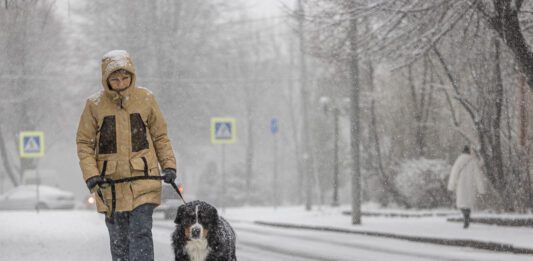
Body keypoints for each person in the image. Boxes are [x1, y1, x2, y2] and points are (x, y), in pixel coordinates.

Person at [76, 50, 177, 261]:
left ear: (132, 76)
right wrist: (91, 175)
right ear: (106, 79)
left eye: (125, 78)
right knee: (119, 239)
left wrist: (169, 166)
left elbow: (160, 136)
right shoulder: (94, 105)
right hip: (110, 185)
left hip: (144, 180)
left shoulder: (146, 99)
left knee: (141, 233)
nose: (121, 83)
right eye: (115, 79)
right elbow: (85, 143)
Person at [447, 145, 487, 229]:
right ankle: (467, 218)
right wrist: (481, 190)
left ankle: (466, 218)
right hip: (470, 186)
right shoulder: (473, 162)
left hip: (461, 186)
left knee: (462, 204)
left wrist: (451, 187)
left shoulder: (458, 161)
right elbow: (478, 177)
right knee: (468, 204)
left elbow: (454, 174)